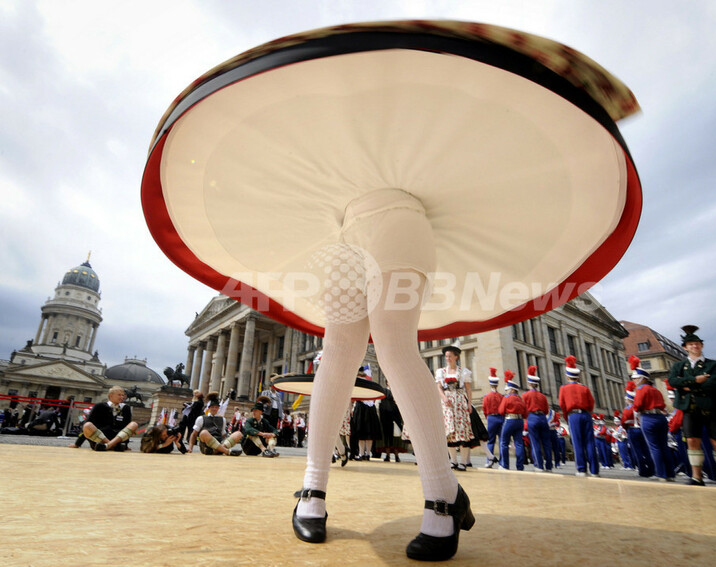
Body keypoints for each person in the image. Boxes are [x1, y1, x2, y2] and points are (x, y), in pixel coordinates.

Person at [141, 21, 642, 562]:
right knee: (337, 351)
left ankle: (440, 493)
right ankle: (313, 487)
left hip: (404, 219)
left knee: (394, 340)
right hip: (342, 231)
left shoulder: (403, 97)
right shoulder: (332, 104)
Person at [668, 325, 716, 487]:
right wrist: (697, 380)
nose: (694, 346)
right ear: (685, 347)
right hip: (690, 408)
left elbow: (715, 382)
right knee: (692, 441)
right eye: (691, 344)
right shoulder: (678, 366)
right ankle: (697, 477)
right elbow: (673, 381)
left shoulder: (714, 364)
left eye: (697, 344)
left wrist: (687, 386)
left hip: (711, 406)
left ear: (701, 346)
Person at [630, 360, 675, 482]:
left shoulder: (640, 390)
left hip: (648, 418)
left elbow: (637, 405)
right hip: (661, 418)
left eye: (636, 378)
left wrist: (636, 411)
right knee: (664, 446)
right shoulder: (656, 390)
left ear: (642, 378)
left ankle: (661, 474)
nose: (634, 381)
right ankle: (670, 473)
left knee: (654, 447)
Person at [436, 342, 475, 471]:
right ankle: (453, 461)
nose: (448, 359)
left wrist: (469, 404)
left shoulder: (463, 372)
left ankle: (463, 462)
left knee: (462, 432)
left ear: (456, 357)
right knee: (449, 432)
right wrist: (444, 398)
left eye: (450, 356)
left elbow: (468, 389)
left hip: (459, 402)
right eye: (446, 356)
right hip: (447, 404)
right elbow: (439, 388)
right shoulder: (441, 371)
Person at [558, 356, 598, 477]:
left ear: (567, 376)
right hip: (586, 415)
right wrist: (587, 413)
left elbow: (562, 404)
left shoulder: (564, 388)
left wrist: (567, 416)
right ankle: (595, 470)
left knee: (577, 442)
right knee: (590, 442)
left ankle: (581, 469)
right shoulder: (584, 388)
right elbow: (591, 403)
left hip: (573, 415)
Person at [79, 386, 138, 452]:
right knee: (87, 425)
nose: (122, 397)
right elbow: (87, 423)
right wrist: (77, 444)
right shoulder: (99, 406)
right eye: (119, 395)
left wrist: (126, 445)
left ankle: (107, 446)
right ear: (111, 395)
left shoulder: (126, 408)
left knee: (134, 424)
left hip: (118, 439)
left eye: (123, 395)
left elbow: (127, 427)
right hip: (101, 439)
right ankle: (111, 445)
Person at [522, 366, 553, 472]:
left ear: (529, 383)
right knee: (546, 443)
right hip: (543, 418)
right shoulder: (543, 396)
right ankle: (549, 466)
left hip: (532, 417)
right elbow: (546, 410)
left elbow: (524, 409)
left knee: (534, 442)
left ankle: (539, 465)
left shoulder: (525, 395)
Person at [498, 372, 528, 470]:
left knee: (504, 442)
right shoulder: (520, 399)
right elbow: (526, 413)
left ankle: (505, 465)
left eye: (507, 390)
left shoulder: (507, 398)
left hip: (509, 420)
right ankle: (520, 466)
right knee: (519, 443)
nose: (506, 392)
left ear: (512, 390)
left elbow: (501, 410)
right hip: (519, 421)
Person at [352, 368, 383, 460]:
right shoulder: (370, 384)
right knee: (368, 433)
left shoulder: (358, 384)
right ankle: (367, 454)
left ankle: (362, 454)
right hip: (370, 408)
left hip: (362, 408)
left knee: (361, 432)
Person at [481, 368, 504, 468]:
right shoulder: (501, 396)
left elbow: (484, 409)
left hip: (491, 418)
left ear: (490, 384)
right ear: (497, 384)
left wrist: (488, 417)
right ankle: (502, 463)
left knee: (490, 441)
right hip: (501, 418)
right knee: (502, 441)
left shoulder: (487, 396)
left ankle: (489, 461)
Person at [378, 380, 405, 462]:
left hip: (396, 417)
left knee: (396, 437)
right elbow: (380, 405)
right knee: (387, 436)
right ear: (387, 383)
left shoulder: (399, 391)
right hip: (386, 417)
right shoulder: (384, 391)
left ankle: (397, 456)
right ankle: (387, 455)